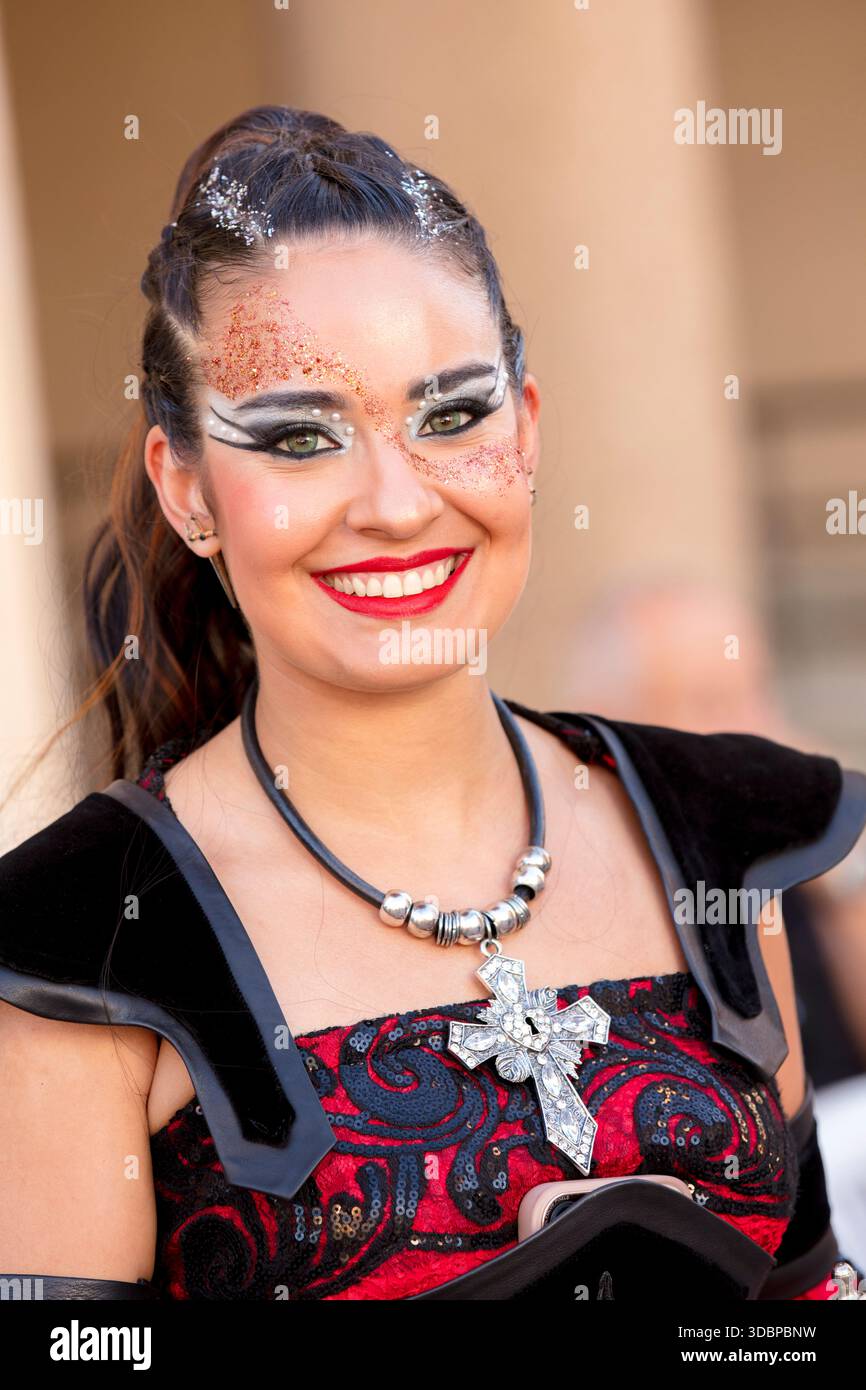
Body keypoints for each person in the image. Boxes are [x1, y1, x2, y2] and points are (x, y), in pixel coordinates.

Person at [1, 106, 865, 1303]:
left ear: (526, 429)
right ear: (188, 488)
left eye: (452, 416)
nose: (397, 505)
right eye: (300, 438)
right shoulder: (81, 935)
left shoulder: (712, 826)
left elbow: (804, 1300)